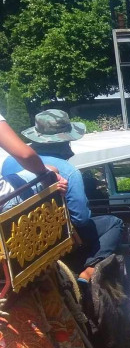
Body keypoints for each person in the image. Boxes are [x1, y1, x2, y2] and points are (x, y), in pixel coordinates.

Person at [1, 109, 122, 285]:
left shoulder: (9, 162)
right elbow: (81, 219)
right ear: (66, 141)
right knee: (114, 222)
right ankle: (88, 271)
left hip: (12, 234)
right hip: (52, 235)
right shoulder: (68, 171)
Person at [0, 113, 68, 209]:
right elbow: (25, 155)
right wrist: (46, 174)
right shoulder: (69, 170)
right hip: (4, 200)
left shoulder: (8, 161)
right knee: (52, 171)